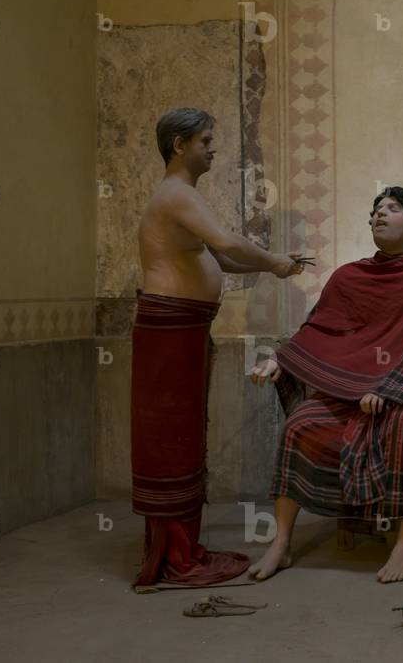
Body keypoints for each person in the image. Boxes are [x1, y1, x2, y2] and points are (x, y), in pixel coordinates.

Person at [131, 107, 306, 586]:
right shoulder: (176, 195)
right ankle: (173, 555)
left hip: (182, 327)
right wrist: (274, 263)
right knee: (171, 438)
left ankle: (180, 546)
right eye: (205, 140)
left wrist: (276, 265)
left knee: (184, 434)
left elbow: (220, 257)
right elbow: (227, 240)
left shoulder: (183, 198)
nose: (213, 148)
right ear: (178, 145)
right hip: (169, 329)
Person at [248, 187, 403, 583]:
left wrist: (388, 388)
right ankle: (282, 543)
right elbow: (318, 330)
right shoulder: (348, 276)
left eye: (392, 209)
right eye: (376, 209)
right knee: (300, 425)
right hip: (348, 392)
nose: (379, 214)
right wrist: (280, 360)